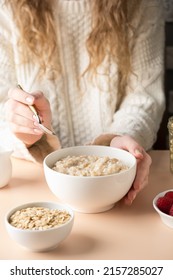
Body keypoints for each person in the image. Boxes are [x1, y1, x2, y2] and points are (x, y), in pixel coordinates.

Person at [0, 0, 165, 205]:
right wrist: (26, 134)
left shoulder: (141, 5)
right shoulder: (6, 7)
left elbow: (144, 98)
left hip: (117, 184)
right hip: (34, 184)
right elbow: (3, 108)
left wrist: (120, 140)